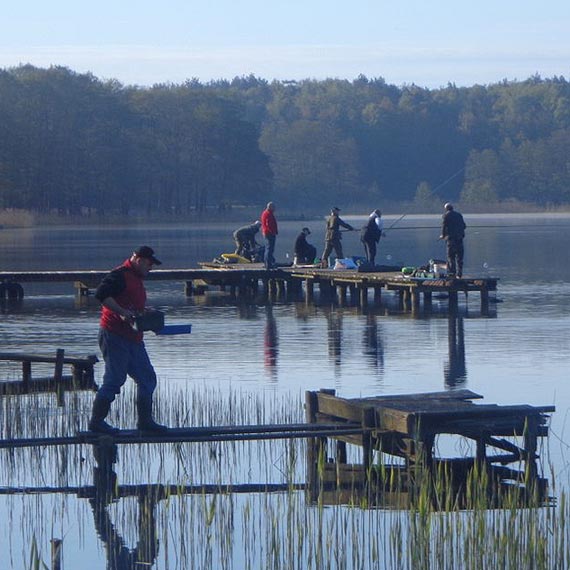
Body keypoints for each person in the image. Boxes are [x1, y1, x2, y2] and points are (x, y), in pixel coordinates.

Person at [88, 246, 168, 434]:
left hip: (134, 338)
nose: (151, 268)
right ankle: (96, 423)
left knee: (147, 378)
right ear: (139, 260)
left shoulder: (137, 279)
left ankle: (145, 423)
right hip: (114, 335)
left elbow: (131, 304)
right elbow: (101, 295)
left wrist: (146, 316)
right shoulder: (120, 275)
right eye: (149, 264)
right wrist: (123, 313)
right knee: (115, 380)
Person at [440, 202, 466, 278]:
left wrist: (443, 235)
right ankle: (460, 273)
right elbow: (464, 226)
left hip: (451, 240)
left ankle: (452, 273)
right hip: (460, 239)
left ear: (446, 209)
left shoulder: (446, 216)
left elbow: (444, 227)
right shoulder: (459, 215)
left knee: (451, 257)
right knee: (459, 258)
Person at [261, 201, 278, 269]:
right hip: (269, 233)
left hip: (266, 233)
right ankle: (268, 264)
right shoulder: (268, 214)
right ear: (270, 207)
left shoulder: (265, 213)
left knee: (267, 248)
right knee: (270, 249)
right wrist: (273, 232)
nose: (275, 209)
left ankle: (267, 263)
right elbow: (268, 224)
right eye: (273, 207)